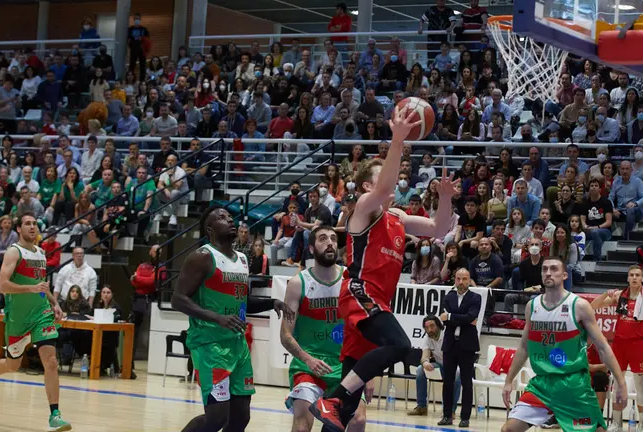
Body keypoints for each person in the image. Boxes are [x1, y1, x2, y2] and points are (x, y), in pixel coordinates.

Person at [310, 106, 457, 432]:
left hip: (377, 305)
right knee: (403, 347)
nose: (394, 179)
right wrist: (398, 140)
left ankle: (337, 402)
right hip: (359, 293)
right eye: (383, 176)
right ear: (366, 187)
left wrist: (445, 197)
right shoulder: (362, 209)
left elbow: (438, 227)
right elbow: (382, 187)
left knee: (346, 411)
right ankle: (333, 396)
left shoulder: (399, 219)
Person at [172, 206, 294, 432]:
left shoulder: (242, 259)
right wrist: (217, 318)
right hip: (210, 345)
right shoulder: (202, 257)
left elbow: (242, 302)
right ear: (209, 228)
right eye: (221, 218)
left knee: (240, 418)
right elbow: (178, 300)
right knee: (217, 417)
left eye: (230, 217)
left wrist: (271, 302)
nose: (230, 220)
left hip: (237, 345)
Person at [500, 256, 627, 432]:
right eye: (544, 269)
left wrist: (621, 383)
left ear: (565, 275)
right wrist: (508, 381)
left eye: (554, 269)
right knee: (509, 429)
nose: (548, 273)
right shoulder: (532, 306)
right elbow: (523, 347)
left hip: (573, 385)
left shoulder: (579, 305)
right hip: (542, 385)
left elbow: (603, 347)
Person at [0, 213, 71, 431]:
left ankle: (55, 415)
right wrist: (30, 288)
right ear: (18, 229)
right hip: (18, 318)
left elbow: (41, 284)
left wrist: (54, 303)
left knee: (51, 362)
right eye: (27, 223)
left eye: (35, 224)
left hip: (41, 313)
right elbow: (3, 286)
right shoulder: (13, 252)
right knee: (13, 365)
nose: (32, 227)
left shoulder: (41, 252)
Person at [280, 226, 368, 432]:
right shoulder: (298, 283)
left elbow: (364, 327)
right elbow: (285, 335)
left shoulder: (350, 278)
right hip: (309, 366)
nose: (330, 242)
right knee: (302, 425)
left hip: (345, 366)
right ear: (311, 248)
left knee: (358, 421)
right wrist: (308, 359)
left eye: (333, 239)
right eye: (322, 239)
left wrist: (369, 373)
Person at [589, 265, 643, 431]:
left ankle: (642, 424)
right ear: (627, 278)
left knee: (639, 385)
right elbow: (593, 306)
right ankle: (617, 423)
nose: (634, 278)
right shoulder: (620, 296)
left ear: (642, 278)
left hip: (637, 345)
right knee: (617, 384)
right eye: (631, 275)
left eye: (637, 275)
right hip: (619, 344)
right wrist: (607, 293)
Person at [437, 268, 480, 427]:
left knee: (466, 381)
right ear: (454, 280)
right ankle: (447, 415)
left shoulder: (475, 297)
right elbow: (445, 320)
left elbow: (471, 316)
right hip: (450, 343)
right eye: (458, 279)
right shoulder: (448, 297)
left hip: (467, 344)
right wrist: (463, 319)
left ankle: (465, 417)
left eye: (464, 279)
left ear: (469, 280)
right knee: (447, 381)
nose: (461, 282)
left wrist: (450, 316)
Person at [408, 315, 460, 417]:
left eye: (432, 326)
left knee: (457, 374)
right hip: (440, 366)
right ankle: (422, 407)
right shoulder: (428, 338)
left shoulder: (448, 334)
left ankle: (450, 410)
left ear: (438, 325)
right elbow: (424, 356)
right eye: (426, 328)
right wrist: (426, 363)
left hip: (454, 365)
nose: (429, 329)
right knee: (420, 370)